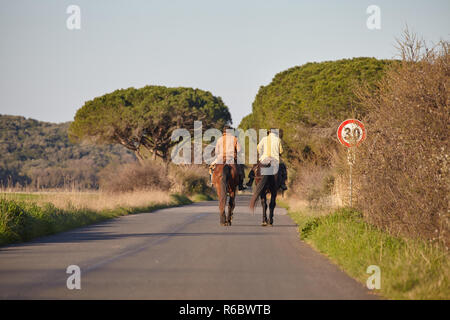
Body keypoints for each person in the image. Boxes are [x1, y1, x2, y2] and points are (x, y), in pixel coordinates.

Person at [209, 126, 246, 190]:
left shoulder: (220, 139)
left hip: (221, 158)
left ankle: (212, 182)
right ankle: (240, 185)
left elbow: (217, 151)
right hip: (231, 157)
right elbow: (239, 149)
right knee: (241, 167)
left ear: (224, 131)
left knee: (211, 167)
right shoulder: (234, 139)